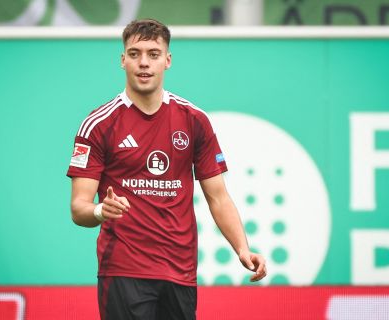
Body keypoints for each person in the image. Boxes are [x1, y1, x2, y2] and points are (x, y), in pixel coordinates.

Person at [67, 18, 266, 320]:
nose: (143, 63)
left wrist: (242, 248)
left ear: (167, 61)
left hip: (180, 271)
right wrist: (99, 211)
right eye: (134, 54)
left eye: (153, 54)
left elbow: (218, 197)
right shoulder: (99, 124)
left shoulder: (193, 119)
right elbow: (78, 208)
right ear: (123, 61)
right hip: (124, 271)